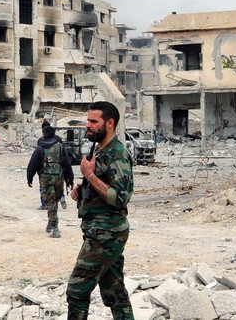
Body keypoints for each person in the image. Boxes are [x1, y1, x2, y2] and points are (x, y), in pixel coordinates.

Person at [67, 101, 134, 320]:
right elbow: (102, 184)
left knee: (77, 292)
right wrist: (84, 188)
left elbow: (121, 197)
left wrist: (90, 176)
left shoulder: (118, 154)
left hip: (106, 233)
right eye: (88, 120)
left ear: (110, 123)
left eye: (94, 121)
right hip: (100, 231)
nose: (88, 125)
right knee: (115, 293)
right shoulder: (98, 148)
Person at [27, 124, 74, 238]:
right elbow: (67, 164)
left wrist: (30, 177)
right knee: (54, 202)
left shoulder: (40, 148)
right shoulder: (60, 147)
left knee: (50, 202)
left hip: (46, 179)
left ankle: (55, 228)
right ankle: (51, 222)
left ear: (44, 135)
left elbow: (32, 165)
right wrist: (70, 179)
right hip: (59, 179)